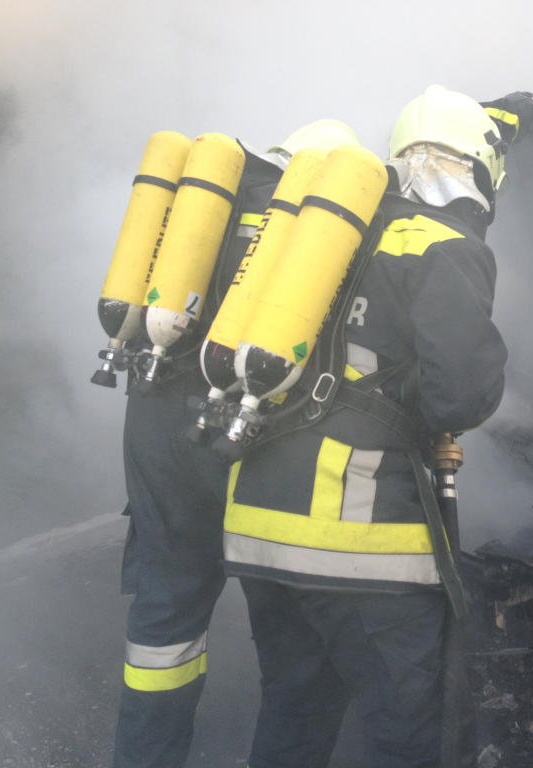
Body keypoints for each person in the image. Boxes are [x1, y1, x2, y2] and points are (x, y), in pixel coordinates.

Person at [222, 85, 526, 768]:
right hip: (357, 546)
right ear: (478, 168)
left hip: (257, 527)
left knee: (294, 715)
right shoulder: (443, 245)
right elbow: (462, 395)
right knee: (405, 733)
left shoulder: (333, 233)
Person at [111, 120, 361, 768]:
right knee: (298, 646)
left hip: (158, 438)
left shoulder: (201, 202)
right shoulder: (327, 229)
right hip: (255, 448)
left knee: (163, 637)